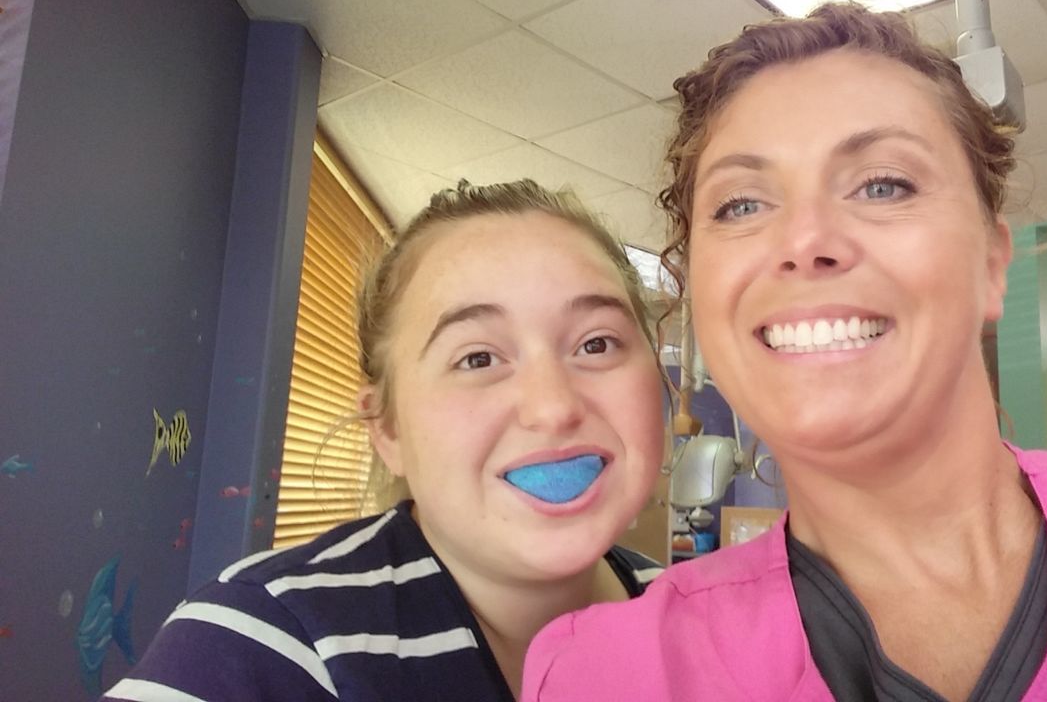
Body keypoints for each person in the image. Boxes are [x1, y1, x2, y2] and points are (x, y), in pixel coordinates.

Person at [522, 2, 1047, 702]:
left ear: (991, 264)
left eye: (882, 185)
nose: (805, 241)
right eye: (741, 204)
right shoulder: (610, 673)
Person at [103, 180, 668, 702]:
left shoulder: (709, 614)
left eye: (597, 344)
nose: (553, 407)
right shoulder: (262, 638)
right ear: (387, 427)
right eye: (477, 357)